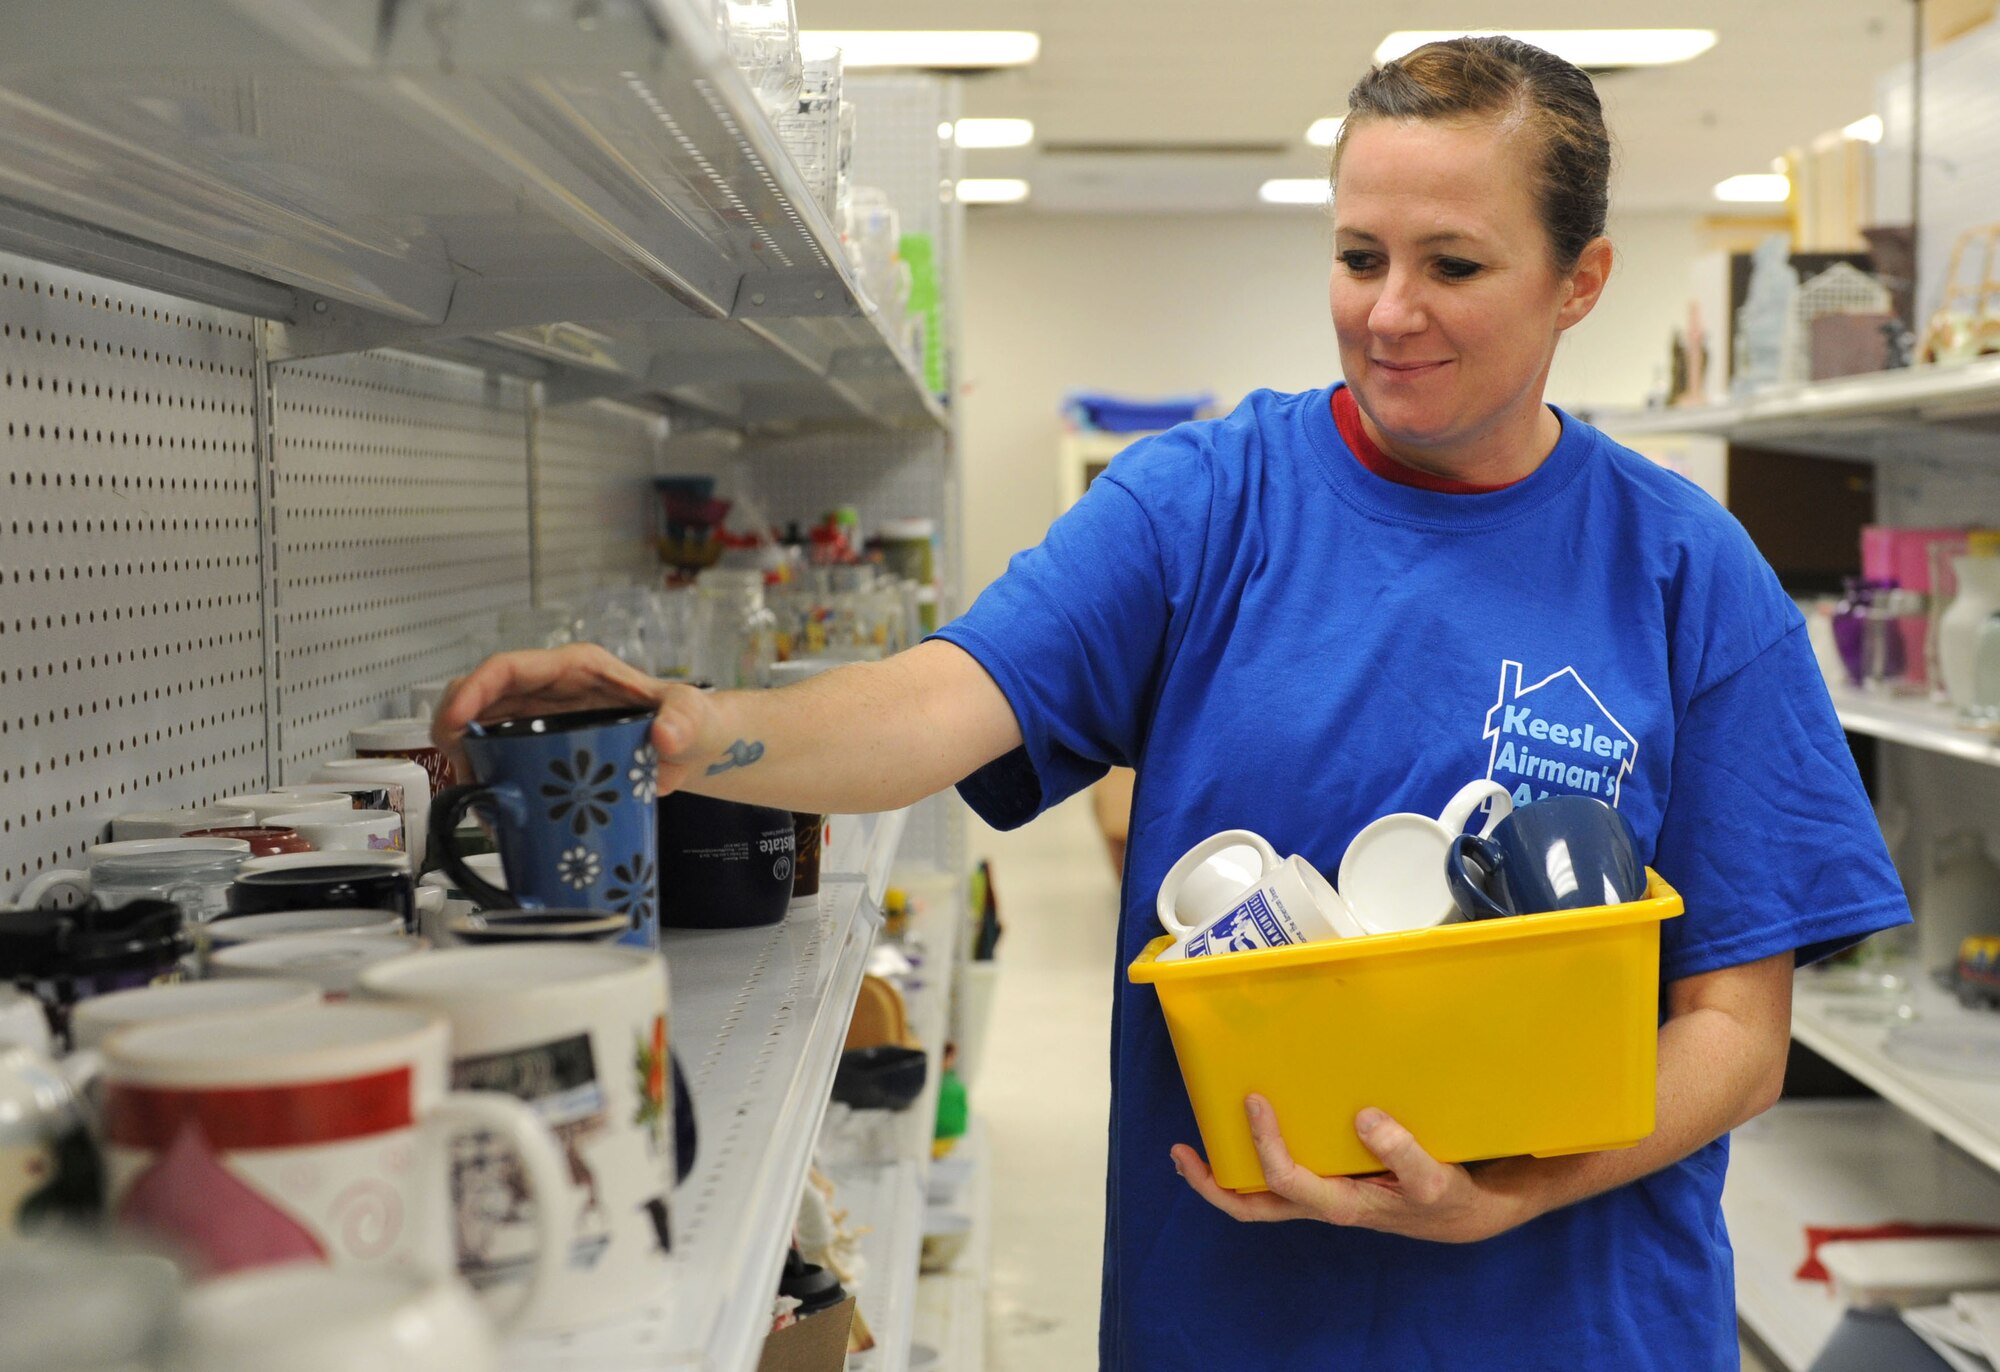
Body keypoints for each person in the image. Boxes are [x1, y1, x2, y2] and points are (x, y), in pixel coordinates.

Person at [436, 36, 1908, 1371]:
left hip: (1575, 1322)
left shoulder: (1680, 570)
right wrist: (699, 729)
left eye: (1451, 265)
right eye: (1356, 255)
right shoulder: (1208, 504)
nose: (1387, 312)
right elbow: (941, 700)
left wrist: (1513, 1192)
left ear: (1578, 280)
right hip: (1242, 1320)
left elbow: (1738, 1026)